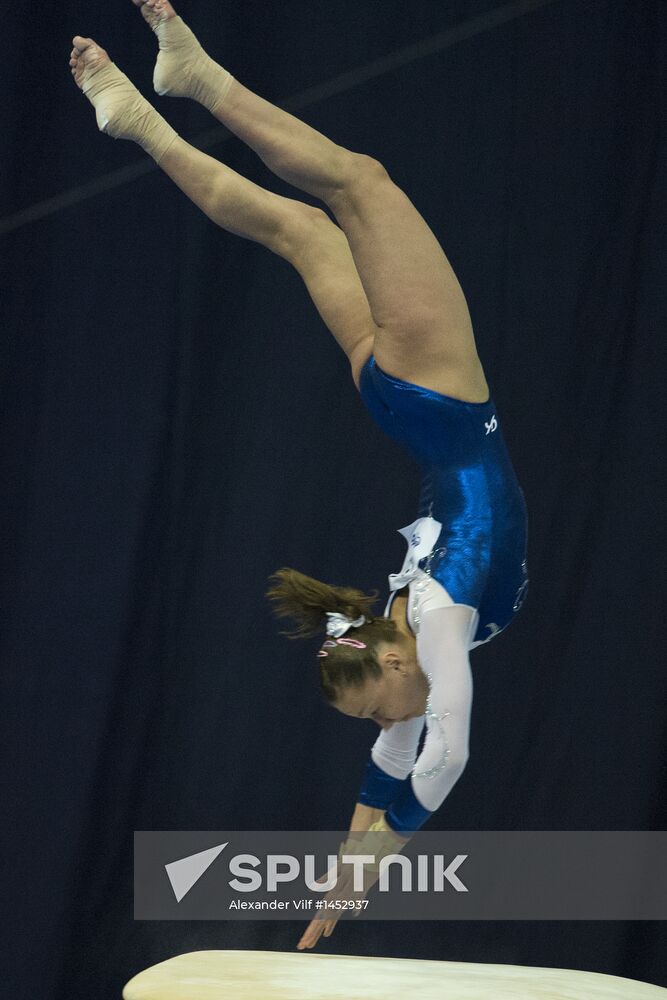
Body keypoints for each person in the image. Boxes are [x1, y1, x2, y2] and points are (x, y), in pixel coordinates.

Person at [70, 0, 529, 949]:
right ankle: (148, 111)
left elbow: (420, 759)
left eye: (373, 708)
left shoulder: (429, 628)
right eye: (377, 710)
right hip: (403, 400)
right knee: (312, 219)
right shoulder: (416, 629)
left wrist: (357, 872)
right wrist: (351, 881)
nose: (383, 727)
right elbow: (412, 760)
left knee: (349, 194)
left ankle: (176, 97)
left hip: (435, 396)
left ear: (385, 659)